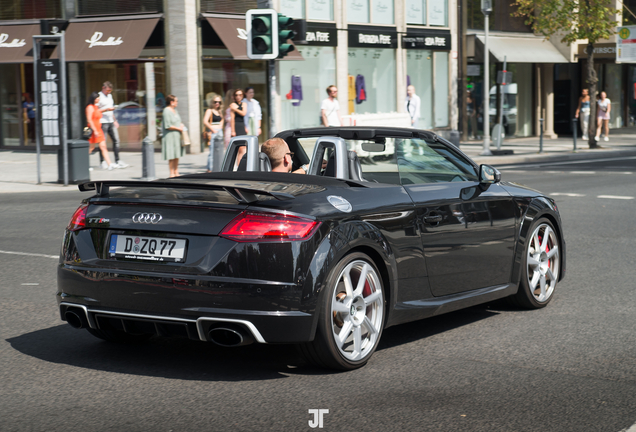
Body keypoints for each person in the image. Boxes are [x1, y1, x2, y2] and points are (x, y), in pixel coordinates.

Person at [97, 81, 128, 168]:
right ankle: (102, 161)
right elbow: (95, 111)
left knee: (116, 140)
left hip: (110, 120)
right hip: (102, 121)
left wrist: (115, 120)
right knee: (103, 142)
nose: (109, 92)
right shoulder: (99, 96)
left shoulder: (110, 96)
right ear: (103, 88)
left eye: (110, 91)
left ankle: (117, 160)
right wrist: (106, 109)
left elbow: (111, 110)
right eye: (107, 90)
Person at [85, 92, 114, 170]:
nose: (99, 100)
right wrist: (95, 130)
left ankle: (109, 164)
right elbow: (89, 120)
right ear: (94, 99)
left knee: (103, 147)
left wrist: (107, 109)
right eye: (97, 98)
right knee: (90, 148)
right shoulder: (90, 107)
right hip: (93, 130)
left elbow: (98, 112)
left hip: (99, 130)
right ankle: (84, 164)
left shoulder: (95, 107)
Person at [162, 94, 185, 178]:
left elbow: (178, 121)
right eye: (176, 101)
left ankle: (176, 171)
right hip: (170, 136)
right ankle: (171, 173)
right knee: (171, 154)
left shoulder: (175, 110)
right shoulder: (166, 111)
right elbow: (168, 125)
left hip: (177, 135)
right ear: (171, 102)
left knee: (177, 154)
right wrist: (178, 128)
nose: (177, 103)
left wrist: (181, 126)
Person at [203, 94, 224, 172]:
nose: (217, 103)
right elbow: (205, 121)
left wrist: (221, 125)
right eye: (215, 102)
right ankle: (210, 169)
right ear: (212, 102)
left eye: (219, 102)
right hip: (213, 132)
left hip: (220, 132)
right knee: (212, 152)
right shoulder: (209, 110)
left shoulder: (219, 111)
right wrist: (213, 129)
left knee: (219, 151)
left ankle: (218, 168)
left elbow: (222, 119)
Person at [230, 89, 248, 168]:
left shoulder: (244, 104)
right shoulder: (232, 104)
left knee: (243, 147)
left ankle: (241, 166)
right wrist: (233, 130)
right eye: (236, 95)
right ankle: (238, 166)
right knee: (238, 147)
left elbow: (244, 113)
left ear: (242, 96)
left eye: (240, 95)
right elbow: (232, 119)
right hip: (236, 126)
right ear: (234, 96)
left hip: (242, 126)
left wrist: (235, 109)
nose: (238, 97)